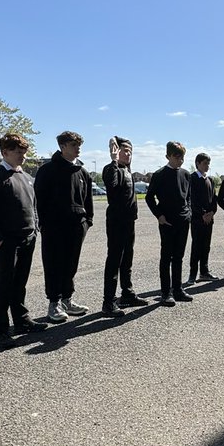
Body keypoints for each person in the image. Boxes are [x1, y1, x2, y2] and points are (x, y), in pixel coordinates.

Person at [0, 132, 48, 346]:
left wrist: (35, 227)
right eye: (18, 153)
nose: (23, 157)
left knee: (20, 282)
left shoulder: (26, 178)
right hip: (6, 241)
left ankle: (22, 320)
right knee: (4, 283)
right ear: (5, 152)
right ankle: (0, 328)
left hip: (28, 237)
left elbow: (33, 206)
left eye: (24, 153)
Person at [33, 130, 93, 323]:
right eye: (74, 145)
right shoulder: (47, 170)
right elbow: (38, 200)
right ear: (62, 146)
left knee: (71, 264)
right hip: (54, 227)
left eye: (79, 146)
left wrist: (87, 221)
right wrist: (43, 223)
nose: (78, 149)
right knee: (53, 264)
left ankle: (67, 299)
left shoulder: (82, 172)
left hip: (77, 226)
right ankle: (54, 302)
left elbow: (88, 200)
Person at [101, 136, 149, 317]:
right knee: (114, 260)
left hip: (129, 221)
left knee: (127, 259)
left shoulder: (127, 170)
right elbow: (112, 188)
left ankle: (127, 293)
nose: (128, 154)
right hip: (116, 221)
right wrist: (113, 159)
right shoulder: (110, 169)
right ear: (116, 151)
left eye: (130, 151)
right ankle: (108, 302)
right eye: (125, 150)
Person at [146, 141, 193, 307]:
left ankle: (178, 289)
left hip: (183, 221)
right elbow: (149, 197)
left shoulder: (186, 174)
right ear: (168, 156)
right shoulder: (159, 175)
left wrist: (189, 212)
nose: (180, 160)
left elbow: (188, 196)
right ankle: (166, 293)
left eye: (182, 157)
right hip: (167, 222)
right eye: (176, 156)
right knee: (166, 257)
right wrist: (159, 216)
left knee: (179, 257)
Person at [186, 152, 218, 285]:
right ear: (197, 163)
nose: (207, 166)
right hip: (197, 219)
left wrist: (211, 213)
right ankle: (192, 275)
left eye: (208, 164)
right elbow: (191, 200)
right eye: (205, 163)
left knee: (206, 246)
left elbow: (214, 199)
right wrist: (202, 214)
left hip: (209, 220)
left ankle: (204, 272)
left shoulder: (210, 180)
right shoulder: (191, 178)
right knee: (196, 246)